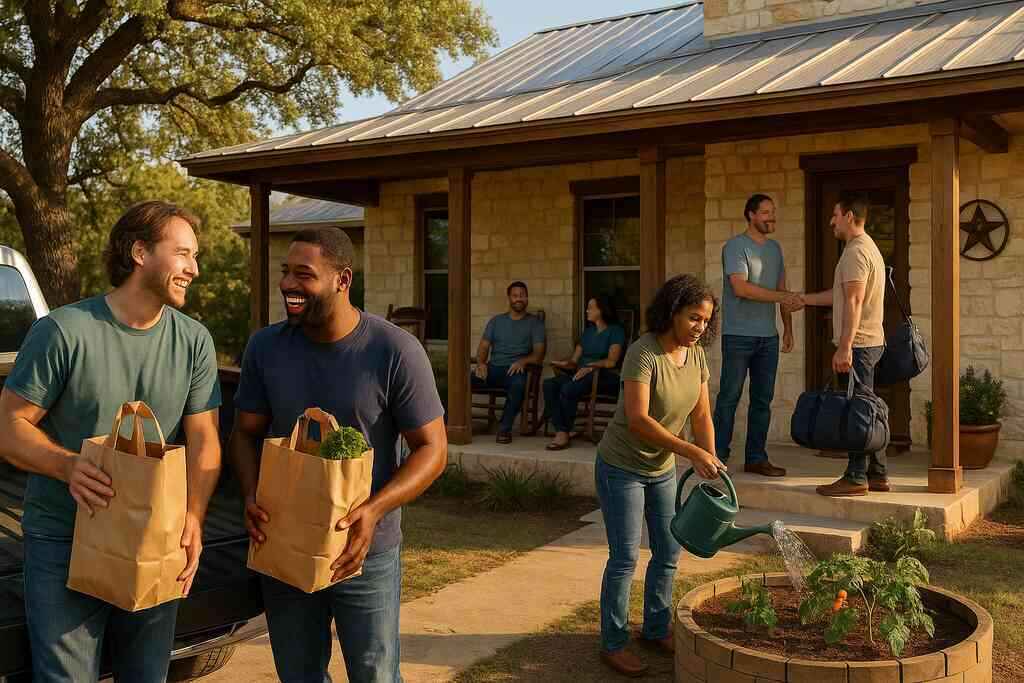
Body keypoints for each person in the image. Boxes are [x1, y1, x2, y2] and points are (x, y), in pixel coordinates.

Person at [0, 202, 222, 682]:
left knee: (146, 676)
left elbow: (204, 441)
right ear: (140, 251)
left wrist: (194, 517)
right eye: (183, 254)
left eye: (195, 257)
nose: (194, 269)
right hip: (65, 538)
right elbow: (9, 427)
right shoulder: (62, 331)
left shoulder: (194, 341)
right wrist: (67, 466)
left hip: (154, 537)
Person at [229, 226, 447, 683]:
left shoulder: (393, 351)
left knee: (374, 673)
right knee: (299, 673)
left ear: (342, 280)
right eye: (286, 272)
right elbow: (244, 434)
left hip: (363, 550)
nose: (288, 284)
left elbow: (433, 449)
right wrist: (250, 495)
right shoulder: (265, 347)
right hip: (284, 544)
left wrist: (375, 509)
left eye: (303, 274)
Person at [594, 275, 726, 678]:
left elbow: (702, 413)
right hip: (622, 468)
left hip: (662, 468)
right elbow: (638, 420)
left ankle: (655, 628)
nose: (699, 327)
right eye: (693, 318)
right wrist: (690, 451)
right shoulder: (643, 353)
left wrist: (712, 457)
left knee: (668, 552)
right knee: (626, 557)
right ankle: (614, 642)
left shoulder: (697, 355)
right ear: (672, 312)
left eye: (705, 320)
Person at [789, 193, 889, 497]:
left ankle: (856, 476)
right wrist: (804, 300)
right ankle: (878, 473)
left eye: (835, 215)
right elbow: (840, 295)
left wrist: (845, 346)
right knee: (867, 407)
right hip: (869, 343)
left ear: (848, 216)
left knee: (856, 412)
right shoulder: (866, 248)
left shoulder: (856, 252)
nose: (831, 221)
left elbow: (854, 301)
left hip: (859, 346)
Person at [713, 194, 797, 478]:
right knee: (729, 397)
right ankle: (717, 457)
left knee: (763, 400)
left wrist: (788, 327)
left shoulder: (775, 249)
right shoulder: (735, 247)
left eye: (773, 212)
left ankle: (756, 458)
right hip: (738, 336)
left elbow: (783, 289)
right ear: (750, 215)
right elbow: (742, 288)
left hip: (768, 338)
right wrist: (782, 298)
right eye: (765, 212)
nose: (771, 217)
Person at [543, 295, 626, 450]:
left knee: (569, 388)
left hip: (602, 377)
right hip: (581, 376)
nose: (587, 310)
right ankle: (563, 429)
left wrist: (591, 366)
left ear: (601, 310)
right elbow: (574, 361)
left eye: (590, 307)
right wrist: (565, 363)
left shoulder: (616, 331)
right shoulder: (587, 333)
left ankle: (563, 433)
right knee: (549, 385)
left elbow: (611, 361)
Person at [472, 281, 546, 443]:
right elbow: (484, 346)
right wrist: (481, 363)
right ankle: (450, 423)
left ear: (527, 298)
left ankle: (504, 430)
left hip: (516, 370)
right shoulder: (496, 321)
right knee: (461, 381)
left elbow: (539, 354)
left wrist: (523, 361)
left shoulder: (535, 323)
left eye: (522, 295)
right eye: (515, 295)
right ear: (509, 298)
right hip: (493, 368)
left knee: (518, 385)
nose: (518, 299)